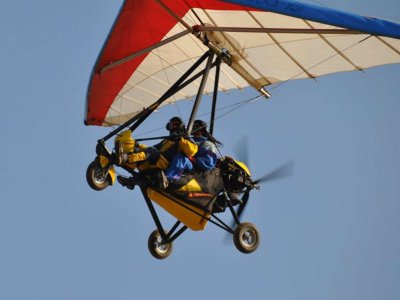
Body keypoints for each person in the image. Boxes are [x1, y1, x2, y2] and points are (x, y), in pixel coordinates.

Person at [117, 117, 198, 189]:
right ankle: (132, 181)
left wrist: (180, 139)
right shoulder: (166, 140)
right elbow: (152, 148)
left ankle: (126, 158)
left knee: (151, 153)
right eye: (171, 125)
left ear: (181, 127)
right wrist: (138, 145)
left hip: (168, 165)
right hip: (158, 162)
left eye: (176, 125)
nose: (173, 127)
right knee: (143, 163)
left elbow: (192, 151)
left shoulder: (185, 139)